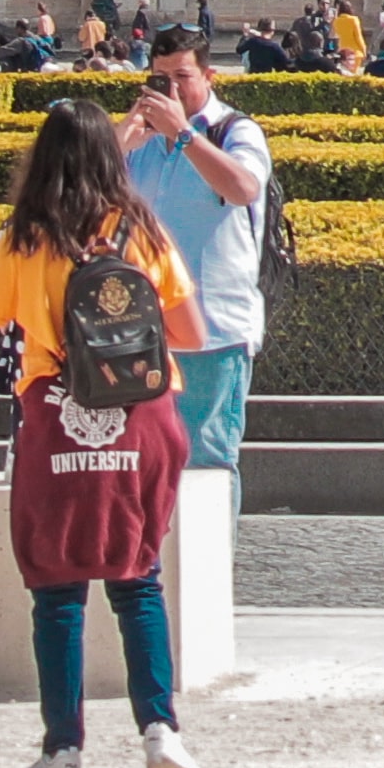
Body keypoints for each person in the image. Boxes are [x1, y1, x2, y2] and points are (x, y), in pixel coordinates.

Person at [0, 98, 210, 768]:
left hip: (58, 418)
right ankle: (161, 730)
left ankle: (62, 751)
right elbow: (190, 333)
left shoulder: (24, 238)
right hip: (143, 421)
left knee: (57, 590)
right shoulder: (142, 230)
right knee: (138, 576)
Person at [121, 27, 277, 473]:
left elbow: (244, 187)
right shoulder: (141, 141)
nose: (170, 90)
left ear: (209, 76)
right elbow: (81, 196)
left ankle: (207, 547)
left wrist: (185, 134)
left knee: (206, 462)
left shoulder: (235, 130)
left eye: (182, 77)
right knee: (141, 465)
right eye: (160, 78)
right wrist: (119, 140)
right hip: (143, 331)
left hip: (215, 330)